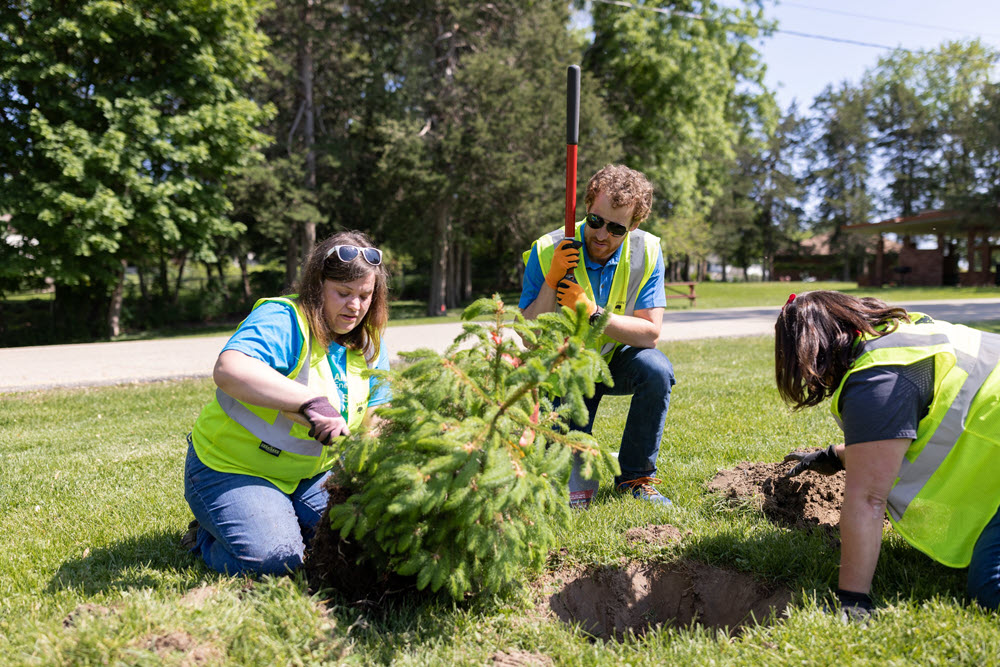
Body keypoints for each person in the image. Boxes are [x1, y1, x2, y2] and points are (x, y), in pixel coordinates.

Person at [775, 290, 1000, 618]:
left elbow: (867, 500)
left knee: (991, 587)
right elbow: (911, 432)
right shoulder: (902, 339)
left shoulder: (879, 377)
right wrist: (836, 455)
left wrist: (853, 600)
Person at [182, 230, 391, 575]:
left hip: (311, 476)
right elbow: (229, 369)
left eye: (365, 295)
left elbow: (378, 415)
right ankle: (204, 537)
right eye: (343, 293)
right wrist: (310, 401)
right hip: (233, 469)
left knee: (360, 544)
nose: (355, 306)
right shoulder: (284, 320)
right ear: (317, 285)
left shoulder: (370, 344)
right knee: (278, 561)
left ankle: (276, 515)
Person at [520, 163, 675, 505]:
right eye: (595, 221)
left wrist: (593, 313)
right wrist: (552, 281)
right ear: (586, 208)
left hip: (615, 362)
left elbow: (649, 334)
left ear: (634, 225)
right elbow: (529, 337)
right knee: (573, 497)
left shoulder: (647, 251)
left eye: (617, 228)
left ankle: (635, 478)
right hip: (565, 373)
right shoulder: (548, 249)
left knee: (656, 370)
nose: (602, 235)